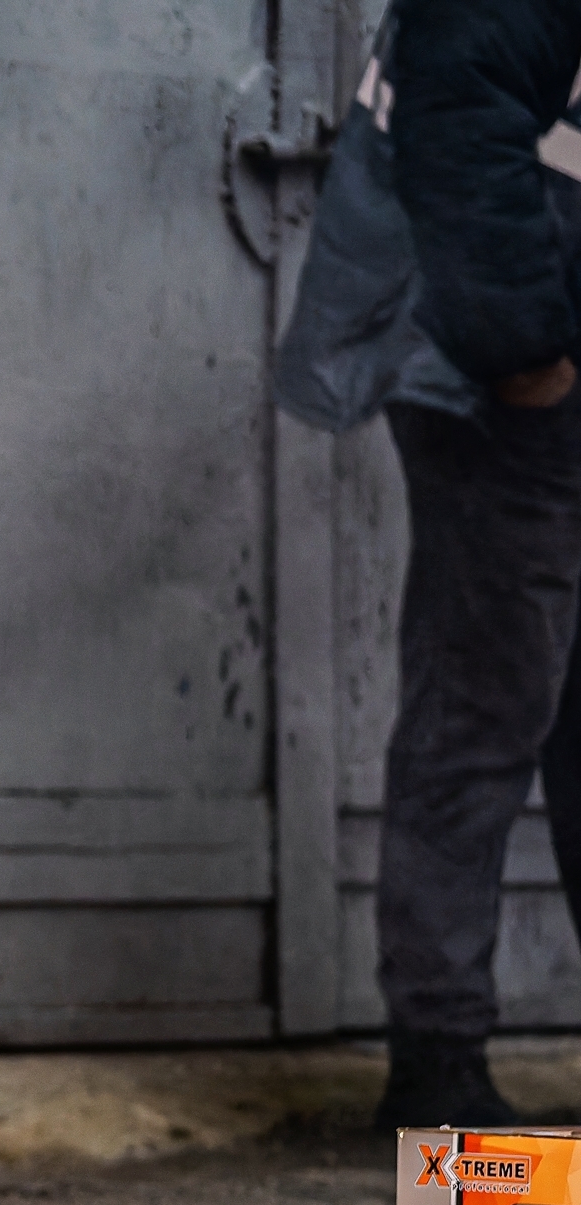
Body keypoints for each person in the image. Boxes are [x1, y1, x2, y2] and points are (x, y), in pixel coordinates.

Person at [278, 1, 581, 1127]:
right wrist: (524, 356)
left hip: (541, 371)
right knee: (479, 711)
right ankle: (438, 1063)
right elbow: (457, 124)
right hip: (504, 388)